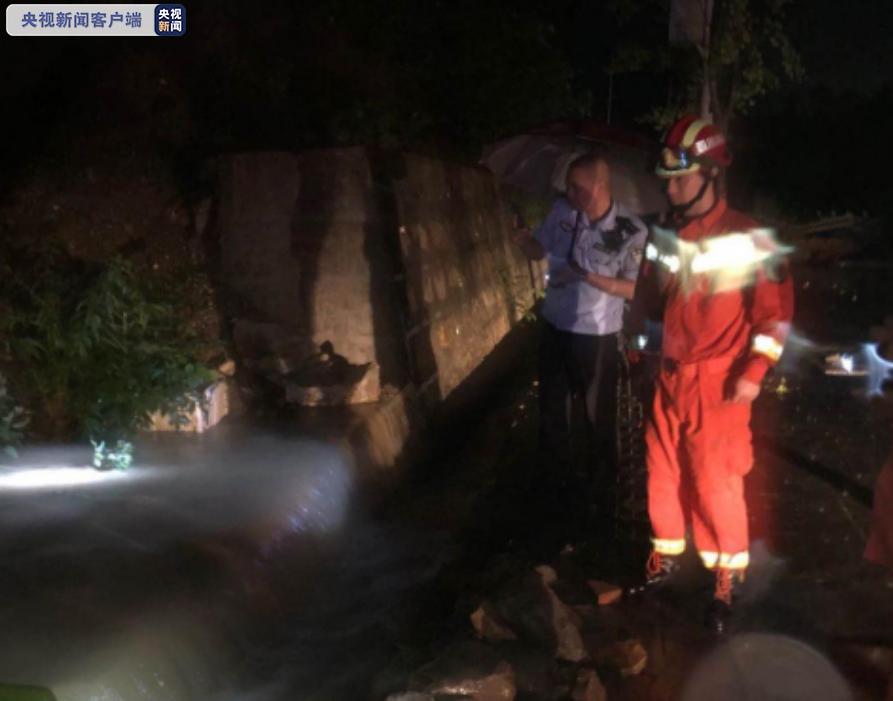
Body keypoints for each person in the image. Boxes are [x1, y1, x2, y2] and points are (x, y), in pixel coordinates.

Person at [631, 116, 794, 634]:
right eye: (667, 178)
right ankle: (668, 558)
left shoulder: (750, 238)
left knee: (715, 483)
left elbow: (775, 315)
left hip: (719, 383)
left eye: (680, 177)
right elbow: (646, 303)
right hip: (669, 377)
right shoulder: (664, 235)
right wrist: (638, 356)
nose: (671, 186)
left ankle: (728, 578)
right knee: (663, 474)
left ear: (712, 174)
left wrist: (755, 370)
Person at [513, 151, 648, 526]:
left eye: (578, 187)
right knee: (553, 411)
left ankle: (604, 494)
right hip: (555, 326)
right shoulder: (562, 212)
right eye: (568, 186)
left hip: (597, 338)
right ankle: (555, 488)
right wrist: (525, 241)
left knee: (597, 419)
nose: (570, 193)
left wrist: (588, 277)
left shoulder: (630, 229)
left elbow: (635, 289)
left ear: (601, 186)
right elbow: (540, 249)